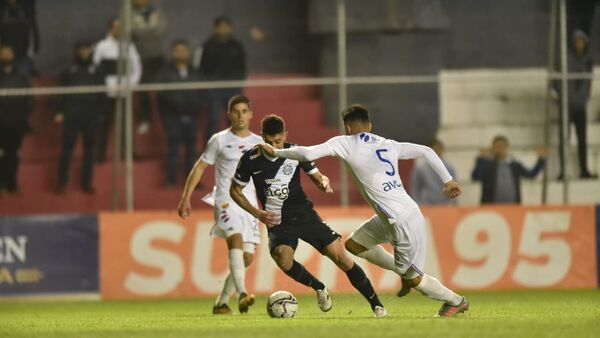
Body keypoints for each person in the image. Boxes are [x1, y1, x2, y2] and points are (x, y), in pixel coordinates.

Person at [259, 105, 467, 317]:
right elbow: (426, 150)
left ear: (347, 128)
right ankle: (402, 271)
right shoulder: (388, 144)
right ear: (369, 126)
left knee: (414, 279)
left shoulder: (345, 142)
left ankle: (455, 300)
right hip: (393, 216)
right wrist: (448, 180)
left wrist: (276, 151)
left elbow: (306, 153)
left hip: (402, 221)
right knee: (354, 245)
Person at [230, 114, 387, 318]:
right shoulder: (250, 159)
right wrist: (257, 213)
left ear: (285, 136)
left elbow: (317, 176)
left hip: (304, 214)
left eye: (278, 141)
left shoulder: (296, 152)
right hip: (278, 219)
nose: (273, 146)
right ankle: (319, 287)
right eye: (269, 141)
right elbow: (235, 190)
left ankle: (376, 305)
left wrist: (323, 182)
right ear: (261, 137)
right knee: (283, 259)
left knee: (341, 257)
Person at [177, 95, 261, 315]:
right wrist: (185, 197)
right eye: (236, 111)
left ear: (251, 114)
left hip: (250, 204)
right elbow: (199, 167)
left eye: (244, 111)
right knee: (235, 238)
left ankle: (221, 303)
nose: (240, 115)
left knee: (247, 258)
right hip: (225, 199)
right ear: (229, 115)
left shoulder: (258, 143)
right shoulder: (219, 140)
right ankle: (243, 293)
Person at [54, 42, 105, 195]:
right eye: (81, 50)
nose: (84, 53)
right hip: (72, 114)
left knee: (89, 150)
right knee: (67, 148)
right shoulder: (69, 70)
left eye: (87, 50)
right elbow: (61, 92)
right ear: (76, 52)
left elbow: (103, 93)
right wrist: (60, 111)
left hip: (91, 115)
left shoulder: (97, 71)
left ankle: (87, 183)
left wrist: (101, 112)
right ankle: (62, 183)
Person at [93, 18, 142, 162]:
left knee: (126, 124)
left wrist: (131, 84)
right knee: (104, 123)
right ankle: (100, 154)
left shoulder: (130, 46)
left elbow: (137, 67)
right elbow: (96, 68)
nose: (118, 30)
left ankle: (128, 153)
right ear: (110, 29)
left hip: (125, 90)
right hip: (107, 92)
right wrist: (104, 86)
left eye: (121, 28)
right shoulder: (102, 46)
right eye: (115, 27)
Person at [157, 40, 203, 186]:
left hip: (193, 115)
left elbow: (203, 91)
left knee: (192, 150)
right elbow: (162, 94)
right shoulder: (165, 72)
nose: (181, 53)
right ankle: (172, 180)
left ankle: (193, 182)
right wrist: (178, 105)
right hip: (173, 116)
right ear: (172, 52)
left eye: (184, 50)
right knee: (173, 148)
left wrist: (194, 106)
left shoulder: (196, 71)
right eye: (178, 50)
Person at [197, 16, 246, 144]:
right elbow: (200, 68)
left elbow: (242, 67)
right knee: (213, 118)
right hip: (213, 89)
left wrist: (237, 83)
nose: (223, 29)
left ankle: (237, 145)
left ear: (230, 28)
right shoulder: (207, 46)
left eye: (226, 26)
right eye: (220, 27)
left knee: (237, 118)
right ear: (215, 28)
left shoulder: (237, 46)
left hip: (233, 88)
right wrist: (208, 84)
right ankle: (211, 148)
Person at [555, 30, 597, 179]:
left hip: (580, 106)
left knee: (582, 140)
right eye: (576, 41)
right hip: (566, 105)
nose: (579, 44)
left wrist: (585, 98)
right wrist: (561, 97)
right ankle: (562, 172)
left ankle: (583, 170)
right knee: (563, 140)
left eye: (581, 41)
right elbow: (556, 81)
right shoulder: (565, 59)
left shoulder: (588, 62)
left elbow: (588, 82)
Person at [472, 135, 547, 204]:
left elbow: (531, 174)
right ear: (493, 148)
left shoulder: (515, 166)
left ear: (507, 147)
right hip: (491, 210)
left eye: (502, 146)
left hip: (513, 209)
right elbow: (476, 177)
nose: (500, 149)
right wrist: (481, 159)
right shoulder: (487, 165)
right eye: (497, 146)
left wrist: (541, 160)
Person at [131, 0, 167, 135]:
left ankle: (164, 119)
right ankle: (144, 120)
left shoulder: (156, 12)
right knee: (143, 90)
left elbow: (162, 29)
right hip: (139, 57)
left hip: (158, 56)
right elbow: (132, 31)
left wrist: (144, 32)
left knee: (163, 89)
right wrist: (150, 31)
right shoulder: (127, 13)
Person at [0, 44, 31, 196]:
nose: (6, 56)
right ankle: (2, 185)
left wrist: (25, 117)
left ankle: (13, 184)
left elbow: (28, 98)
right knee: (1, 155)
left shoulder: (21, 76)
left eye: (8, 53)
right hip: (1, 123)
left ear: (13, 56)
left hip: (16, 122)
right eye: (3, 53)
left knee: (14, 154)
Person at [410, 138, 457, 205]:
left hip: (445, 207)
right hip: (427, 207)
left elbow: (454, 190)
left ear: (442, 150)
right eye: (434, 150)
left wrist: (453, 204)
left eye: (438, 149)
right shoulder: (420, 168)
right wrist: (418, 205)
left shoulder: (450, 168)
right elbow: (415, 189)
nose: (437, 152)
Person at [0, 0, 39, 77]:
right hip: (3, 55)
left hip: (23, 56)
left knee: (23, 75)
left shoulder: (27, 5)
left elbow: (33, 27)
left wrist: (31, 52)